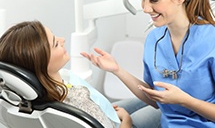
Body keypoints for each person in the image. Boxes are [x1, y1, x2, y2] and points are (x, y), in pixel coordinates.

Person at [81, 0, 215, 127]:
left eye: (153, 0)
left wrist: (186, 101)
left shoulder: (214, 41)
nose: (146, 8)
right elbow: (156, 99)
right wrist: (117, 70)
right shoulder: (154, 39)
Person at [0, 20, 132, 128]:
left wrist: (98, 108)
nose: (62, 40)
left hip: (101, 112)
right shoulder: (78, 102)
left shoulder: (24, 101)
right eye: (56, 44)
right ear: (42, 63)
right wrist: (126, 120)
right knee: (151, 106)